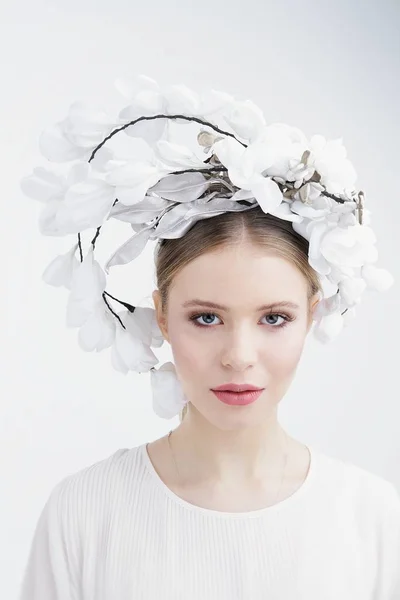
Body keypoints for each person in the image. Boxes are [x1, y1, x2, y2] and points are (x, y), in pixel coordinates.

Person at [18, 75, 399, 599]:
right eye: (206, 318)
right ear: (162, 315)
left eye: (273, 318)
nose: (239, 358)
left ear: (312, 316)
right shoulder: (85, 513)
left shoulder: (373, 523)